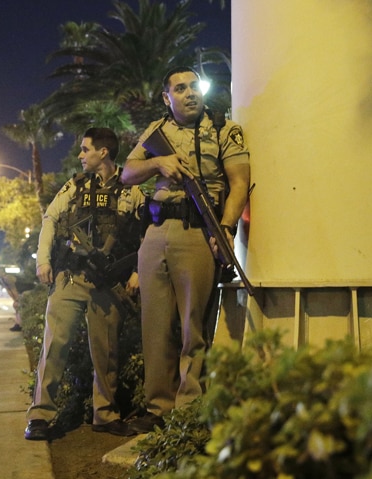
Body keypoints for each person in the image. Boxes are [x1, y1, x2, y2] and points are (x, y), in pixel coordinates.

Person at [121, 66, 250, 433]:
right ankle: (157, 408)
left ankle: (189, 408)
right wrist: (157, 162)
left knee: (194, 325)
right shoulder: (157, 131)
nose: (190, 93)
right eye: (181, 88)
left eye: (195, 86)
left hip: (199, 232)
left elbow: (240, 182)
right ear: (167, 97)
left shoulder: (225, 129)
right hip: (157, 232)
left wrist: (224, 228)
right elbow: (128, 173)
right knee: (156, 326)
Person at [24, 127, 145, 440]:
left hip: (109, 283)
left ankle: (104, 414)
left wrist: (138, 271)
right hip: (71, 278)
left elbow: (145, 233)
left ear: (102, 152)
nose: (80, 155)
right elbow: (50, 219)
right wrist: (43, 260)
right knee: (54, 346)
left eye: (85, 149)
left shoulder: (131, 188)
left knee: (107, 353)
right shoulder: (74, 186)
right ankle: (40, 416)